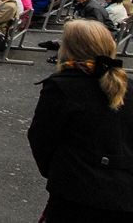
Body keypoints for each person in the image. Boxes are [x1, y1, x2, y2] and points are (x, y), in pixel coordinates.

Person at [28, 19, 132, 221]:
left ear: (70, 49)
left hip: (76, 191)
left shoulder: (62, 87)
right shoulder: (126, 86)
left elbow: (41, 139)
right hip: (124, 194)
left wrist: (58, 171)